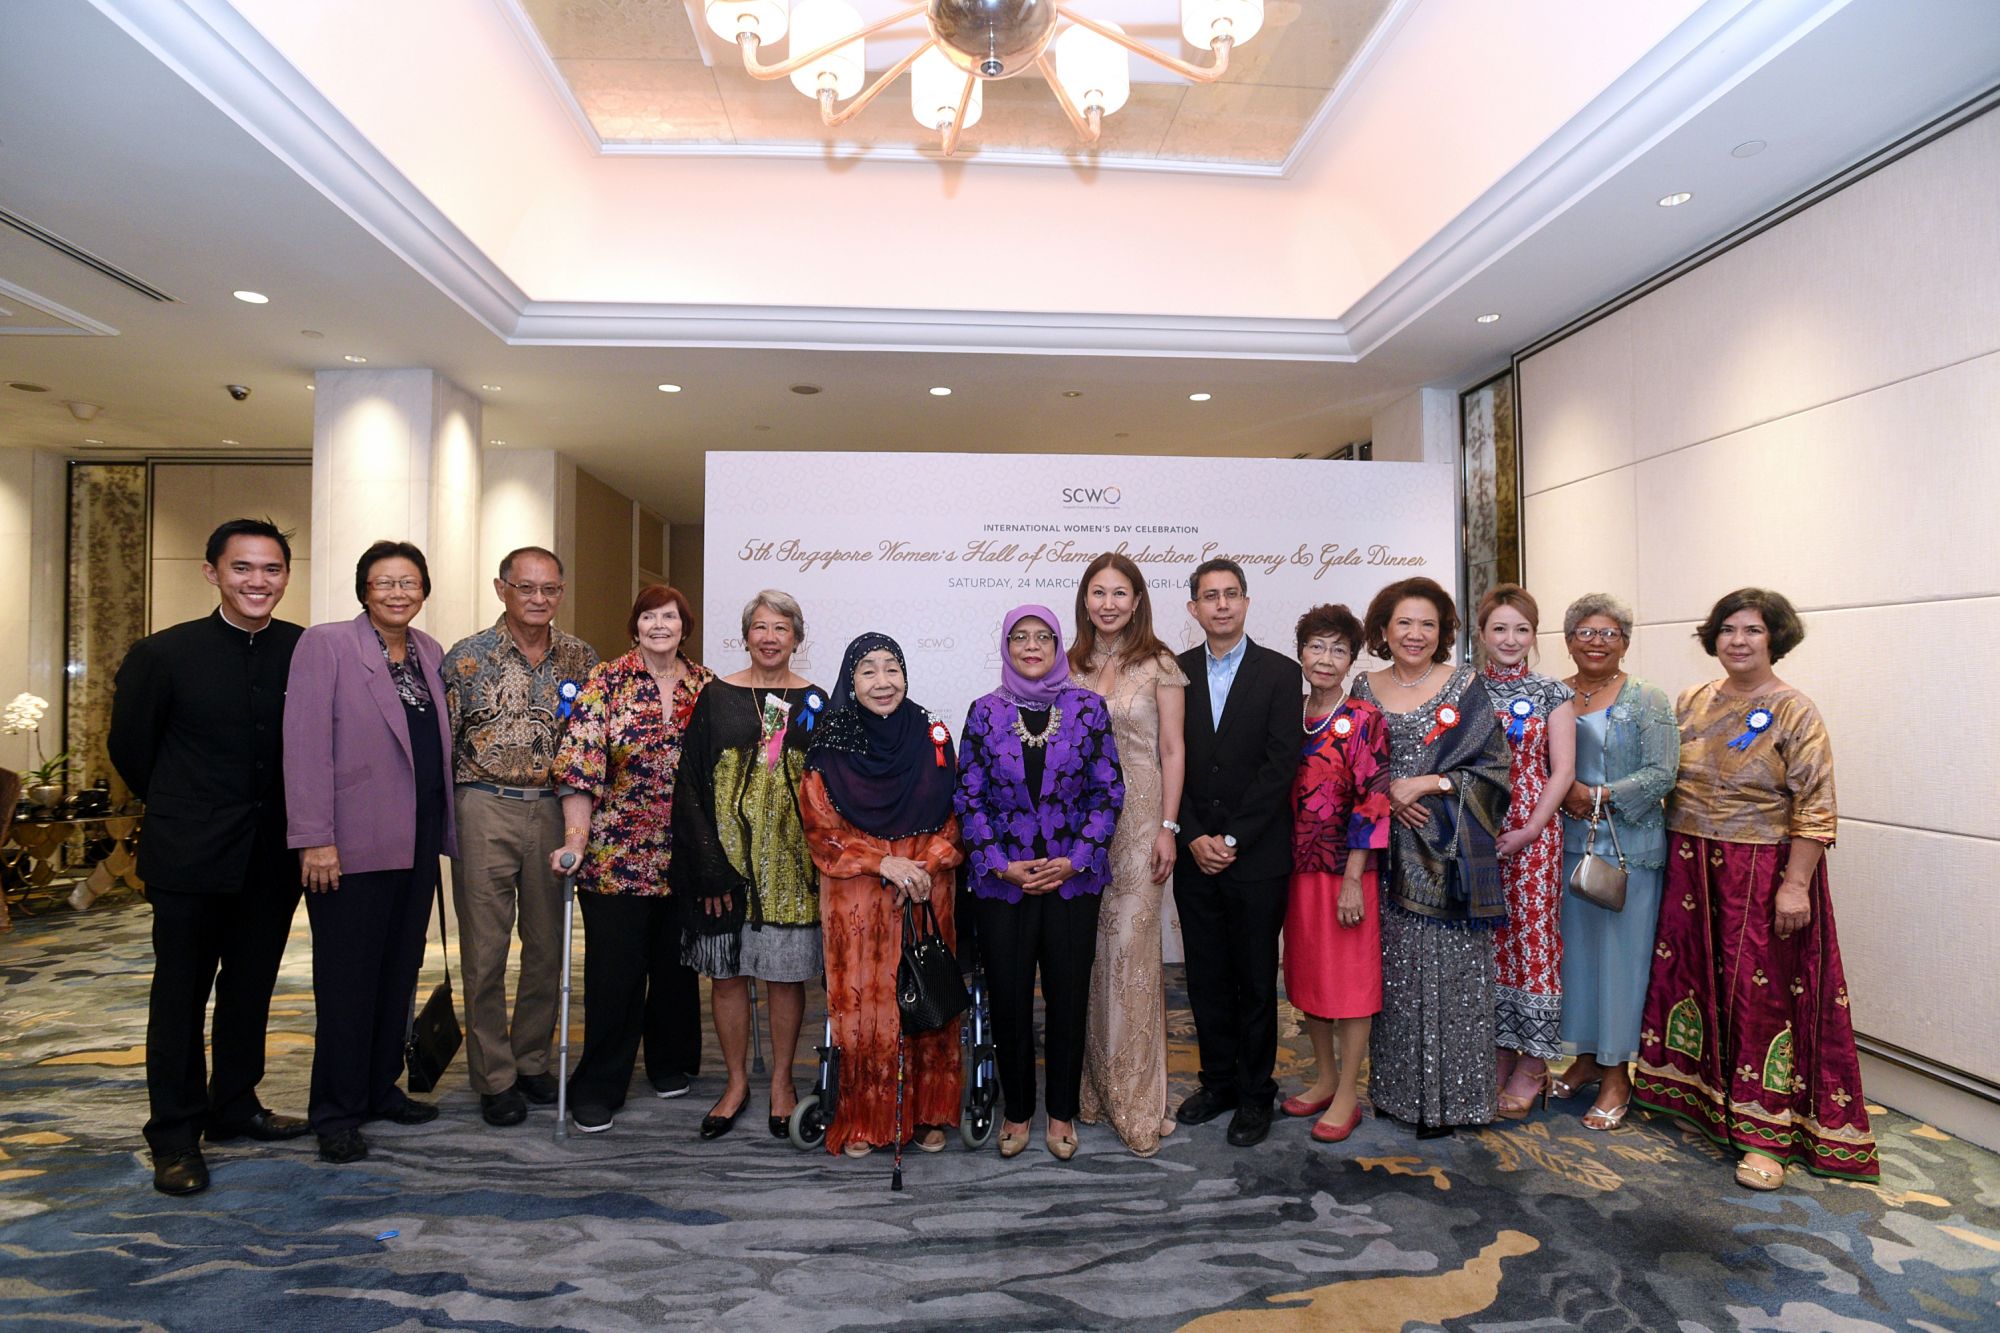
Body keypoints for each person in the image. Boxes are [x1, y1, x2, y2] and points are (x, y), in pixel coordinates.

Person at [1635, 588, 1877, 1188]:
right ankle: (1694, 1099)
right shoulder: (1690, 700)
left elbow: (1816, 808)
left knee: (1760, 998)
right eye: (1728, 630)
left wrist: (1796, 886)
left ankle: (1766, 1135)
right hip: (1689, 861)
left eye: (1753, 631)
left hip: (1762, 870)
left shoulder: (1796, 711)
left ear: (1776, 640)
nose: (1738, 642)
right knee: (1687, 978)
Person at [109, 518, 311, 1195]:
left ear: (287, 574)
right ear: (213, 572)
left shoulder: (303, 650)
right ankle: (174, 1134)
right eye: (243, 568)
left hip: (272, 855)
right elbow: (132, 751)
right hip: (190, 853)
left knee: (250, 988)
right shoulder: (162, 654)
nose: (259, 581)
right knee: (180, 995)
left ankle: (235, 1105)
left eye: (272, 569)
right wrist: (184, 805)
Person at [284, 540, 457, 1164]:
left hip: (414, 843)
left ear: (423, 590)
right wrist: (314, 838)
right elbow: (303, 748)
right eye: (384, 582)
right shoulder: (326, 645)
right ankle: (335, 1111)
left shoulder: (430, 652)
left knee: (397, 974)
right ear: (364, 589)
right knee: (348, 983)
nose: (397, 593)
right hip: (348, 847)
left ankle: (380, 1087)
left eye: (409, 582)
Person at [955, 606, 1124, 1160]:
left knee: (1068, 999)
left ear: (1058, 645)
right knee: (1007, 999)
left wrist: (1076, 859)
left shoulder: (1089, 709)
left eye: (1042, 637)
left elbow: (1109, 793)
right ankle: (1019, 1110)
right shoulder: (983, 713)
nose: (1031, 646)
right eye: (1019, 637)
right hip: (1004, 884)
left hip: (1072, 882)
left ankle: (1060, 1113)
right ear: (1006, 645)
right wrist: (1000, 864)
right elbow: (968, 797)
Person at [439, 546, 598, 1128]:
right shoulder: (466, 659)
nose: (539, 599)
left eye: (550, 589)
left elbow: (591, 742)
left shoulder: (581, 658)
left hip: (556, 811)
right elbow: (441, 744)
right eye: (526, 588)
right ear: (501, 588)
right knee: (484, 950)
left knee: (548, 947)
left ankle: (531, 1059)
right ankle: (494, 1075)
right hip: (484, 805)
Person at [1351, 576, 1512, 1138]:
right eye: (1404, 623)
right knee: (1392, 976)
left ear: (1442, 632)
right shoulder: (1364, 687)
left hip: (1449, 856)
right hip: (1384, 854)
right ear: (1383, 630)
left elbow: (1493, 769)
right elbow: (1351, 768)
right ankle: (1398, 1094)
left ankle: (1457, 1100)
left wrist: (1427, 784)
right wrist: (1386, 798)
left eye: (1428, 624)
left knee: (1451, 976)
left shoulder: (1465, 685)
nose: (1416, 635)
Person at [549, 585, 713, 1133]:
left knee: (675, 969)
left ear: (684, 626)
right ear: (635, 625)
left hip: (685, 856)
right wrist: (575, 840)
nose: (659, 625)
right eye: (649, 616)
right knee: (615, 975)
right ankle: (599, 1085)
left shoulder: (705, 685)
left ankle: (669, 1062)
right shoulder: (606, 681)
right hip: (617, 855)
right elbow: (579, 766)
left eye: (670, 615)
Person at [799, 633, 964, 1157]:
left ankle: (929, 1111)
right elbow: (820, 829)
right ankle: (866, 1116)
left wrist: (927, 863)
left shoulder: (931, 732)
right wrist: (883, 862)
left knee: (928, 994)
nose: (882, 682)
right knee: (866, 1005)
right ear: (850, 680)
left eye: (891, 668)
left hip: (925, 887)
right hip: (859, 892)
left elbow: (961, 811)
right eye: (867, 671)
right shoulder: (829, 740)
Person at [673, 590, 824, 1140]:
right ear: (745, 636)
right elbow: (689, 783)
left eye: (780, 628)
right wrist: (708, 865)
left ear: (797, 638)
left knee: (785, 978)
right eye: (759, 627)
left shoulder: (816, 700)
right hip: (724, 868)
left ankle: (783, 1082)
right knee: (729, 976)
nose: (769, 637)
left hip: (791, 869)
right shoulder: (717, 696)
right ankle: (735, 1083)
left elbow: (829, 785)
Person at [1171, 558, 1302, 1148]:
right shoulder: (1173, 672)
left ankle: (1255, 1093)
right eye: (1209, 597)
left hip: (1256, 857)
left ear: (1247, 603)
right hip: (1192, 850)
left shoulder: (1281, 673)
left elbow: (1281, 768)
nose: (1221, 605)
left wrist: (1231, 838)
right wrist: (1193, 833)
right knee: (1205, 977)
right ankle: (1217, 1081)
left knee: (1254, 980)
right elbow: (1167, 759)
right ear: (1193, 608)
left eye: (1231, 595)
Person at [1071, 552, 1187, 1157]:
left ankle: (1139, 1099)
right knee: (1088, 957)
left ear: (1137, 600)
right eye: (1099, 592)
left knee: (1131, 956)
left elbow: (1173, 749)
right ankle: (1095, 1090)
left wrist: (1169, 826)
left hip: (1141, 825)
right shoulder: (1069, 665)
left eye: (1120, 593)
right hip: (1079, 830)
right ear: (1085, 600)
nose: (1109, 603)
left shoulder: (1160, 663)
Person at [1550, 593, 1676, 1130]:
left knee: (1621, 963)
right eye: (1585, 631)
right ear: (1568, 639)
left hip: (1629, 852)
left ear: (1625, 641)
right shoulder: (1552, 694)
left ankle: (1617, 1074)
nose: (1596, 641)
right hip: (1564, 848)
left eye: (1609, 633)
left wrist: (1597, 796)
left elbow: (1663, 772)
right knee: (1576, 960)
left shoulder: (1647, 698)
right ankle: (1583, 1057)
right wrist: (1564, 795)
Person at [1280, 603, 1391, 1144]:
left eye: (1339, 649)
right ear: (1300, 652)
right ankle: (1324, 1077)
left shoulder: (1363, 718)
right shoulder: (1288, 713)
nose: (1326, 659)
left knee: (1350, 985)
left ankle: (1348, 1090)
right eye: (1317, 647)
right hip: (1293, 870)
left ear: (1353, 658)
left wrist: (1353, 877)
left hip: (1345, 872)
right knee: (1307, 979)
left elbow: (1374, 802)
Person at [1475, 585, 1576, 1117]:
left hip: (1533, 835)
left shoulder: (1552, 692)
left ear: (1534, 636)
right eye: (1500, 629)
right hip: (1477, 834)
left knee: (1533, 943)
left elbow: (1562, 771)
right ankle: (1497, 1047)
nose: (1510, 639)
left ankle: (1534, 1060)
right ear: (1483, 633)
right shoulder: (1465, 689)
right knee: (1490, 943)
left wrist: (1533, 828)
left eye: (1522, 629)